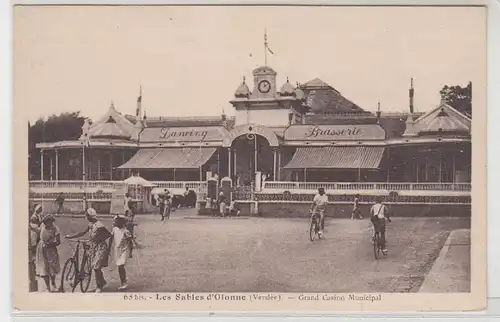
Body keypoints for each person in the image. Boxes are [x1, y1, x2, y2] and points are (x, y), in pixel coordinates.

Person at [65, 208, 111, 293]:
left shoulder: (99, 225)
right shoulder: (90, 224)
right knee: (95, 267)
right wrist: (71, 236)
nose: (87, 218)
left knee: (96, 267)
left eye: (87, 216)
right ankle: (102, 281)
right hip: (93, 247)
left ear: (91, 217)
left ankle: (98, 286)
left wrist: (99, 239)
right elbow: (83, 232)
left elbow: (108, 234)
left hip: (101, 247)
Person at [35, 214, 61, 292]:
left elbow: (58, 242)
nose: (47, 224)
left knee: (52, 267)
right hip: (41, 249)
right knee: (44, 267)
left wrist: (50, 244)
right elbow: (37, 230)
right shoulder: (42, 226)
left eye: (50, 222)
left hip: (51, 249)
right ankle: (47, 287)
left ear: (52, 222)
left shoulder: (56, 229)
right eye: (46, 222)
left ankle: (53, 283)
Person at [109, 215, 133, 291]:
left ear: (122, 223)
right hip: (117, 250)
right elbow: (111, 238)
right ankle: (123, 281)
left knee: (120, 266)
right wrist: (109, 248)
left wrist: (131, 252)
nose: (115, 223)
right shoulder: (114, 229)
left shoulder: (126, 232)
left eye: (117, 222)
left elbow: (130, 242)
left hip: (124, 250)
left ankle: (124, 283)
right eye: (115, 222)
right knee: (119, 266)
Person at [28, 214, 40, 292]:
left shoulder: (34, 229)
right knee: (32, 261)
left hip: (33, 245)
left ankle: (34, 272)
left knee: (32, 261)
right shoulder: (34, 229)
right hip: (32, 246)